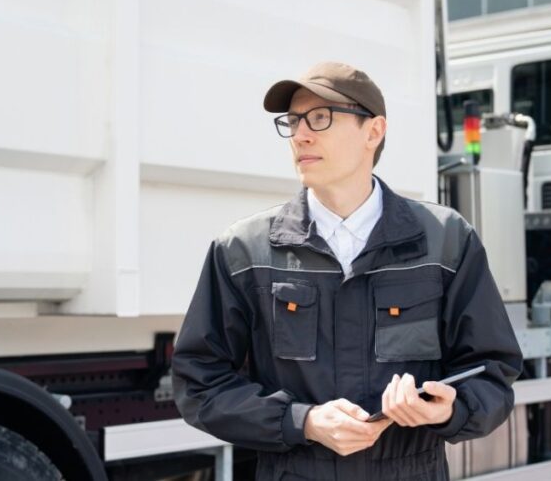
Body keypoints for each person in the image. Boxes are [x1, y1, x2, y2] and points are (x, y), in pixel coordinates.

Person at [172, 61, 523, 480]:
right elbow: (199, 384)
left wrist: (451, 407)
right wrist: (304, 421)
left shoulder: (444, 241)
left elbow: (493, 373)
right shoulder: (245, 250)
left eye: (320, 118)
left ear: (373, 132)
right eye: (293, 121)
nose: (300, 134)